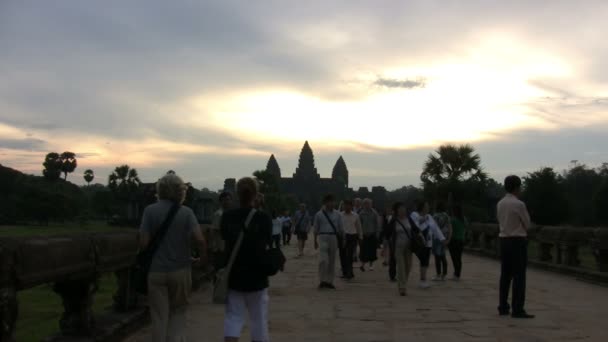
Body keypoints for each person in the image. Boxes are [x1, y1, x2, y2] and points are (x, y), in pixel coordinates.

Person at [139, 173, 207, 342]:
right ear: (180, 191)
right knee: (178, 313)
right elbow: (199, 239)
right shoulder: (186, 212)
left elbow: (143, 244)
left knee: (158, 317)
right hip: (180, 270)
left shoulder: (150, 211)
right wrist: (202, 259)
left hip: (156, 271)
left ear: (160, 190)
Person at [221, 177, 273, 341]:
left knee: (233, 318)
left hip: (234, 274)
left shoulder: (227, 217)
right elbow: (267, 241)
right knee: (258, 320)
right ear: (256, 195)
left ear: (237, 194)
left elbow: (225, 238)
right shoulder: (263, 218)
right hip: (257, 275)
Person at [497, 175, 534, 319]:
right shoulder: (519, 204)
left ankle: (503, 306)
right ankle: (517, 308)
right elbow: (527, 224)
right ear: (517, 187)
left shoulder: (500, 203)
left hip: (504, 240)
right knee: (519, 276)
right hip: (517, 241)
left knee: (505, 275)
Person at [411, 200, 446, 289]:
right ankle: (422, 280)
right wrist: (423, 219)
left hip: (428, 242)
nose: (428, 207)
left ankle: (423, 279)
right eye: (426, 206)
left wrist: (442, 239)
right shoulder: (414, 214)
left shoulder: (429, 216)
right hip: (419, 242)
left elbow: (435, 228)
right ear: (422, 207)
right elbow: (414, 225)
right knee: (423, 260)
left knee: (425, 262)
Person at [313, 194, 343, 289]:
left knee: (332, 260)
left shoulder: (338, 214)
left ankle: (329, 281)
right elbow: (315, 228)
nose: (332, 203)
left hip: (333, 237)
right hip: (323, 236)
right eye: (329, 201)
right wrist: (315, 240)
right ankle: (322, 280)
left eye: (333, 201)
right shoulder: (319, 214)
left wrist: (343, 238)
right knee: (323, 260)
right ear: (325, 203)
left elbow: (341, 228)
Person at [388, 202, 414, 296]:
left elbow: (415, 229)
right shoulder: (394, 220)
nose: (402, 210)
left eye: (404, 208)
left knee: (408, 266)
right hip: (398, 247)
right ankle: (402, 287)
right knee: (401, 267)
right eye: (400, 209)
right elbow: (387, 232)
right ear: (396, 211)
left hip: (409, 247)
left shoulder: (409, 219)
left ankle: (403, 283)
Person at [340, 199, 362, 280]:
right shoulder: (340, 215)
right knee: (343, 255)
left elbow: (359, 227)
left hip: (352, 236)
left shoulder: (355, 215)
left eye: (348, 205)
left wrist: (360, 237)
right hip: (343, 236)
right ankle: (345, 272)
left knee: (349, 254)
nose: (346, 207)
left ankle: (349, 271)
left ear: (351, 206)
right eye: (345, 205)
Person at [211, 192, 232, 270]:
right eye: (225, 200)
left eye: (229, 200)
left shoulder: (228, 214)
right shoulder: (219, 214)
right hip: (220, 249)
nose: (228, 202)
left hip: (226, 248)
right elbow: (215, 231)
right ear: (220, 201)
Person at [432, 202, 452, 281]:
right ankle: (444, 274)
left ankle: (438, 274)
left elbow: (433, 228)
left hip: (437, 238)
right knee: (443, 256)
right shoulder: (446, 216)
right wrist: (448, 238)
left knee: (437, 257)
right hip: (445, 237)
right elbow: (449, 227)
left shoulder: (435, 216)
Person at [359, 198, 380, 272]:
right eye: (365, 204)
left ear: (371, 204)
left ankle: (371, 265)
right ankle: (362, 265)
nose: (367, 205)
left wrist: (377, 233)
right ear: (363, 205)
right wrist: (360, 234)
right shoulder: (361, 213)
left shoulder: (374, 213)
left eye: (369, 204)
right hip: (364, 234)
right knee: (363, 251)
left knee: (372, 251)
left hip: (372, 234)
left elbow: (377, 224)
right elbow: (359, 225)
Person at [449, 204, 467, 280]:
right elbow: (466, 229)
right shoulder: (464, 219)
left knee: (454, 257)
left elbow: (450, 231)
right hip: (461, 240)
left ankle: (456, 273)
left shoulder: (452, 220)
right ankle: (457, 274)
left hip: (453, 240)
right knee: (459, 258)